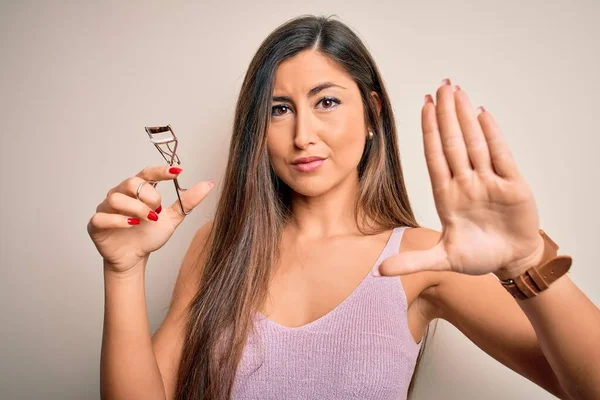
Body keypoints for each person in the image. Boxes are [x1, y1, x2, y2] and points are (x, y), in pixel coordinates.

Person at [87, 14, 600, 400]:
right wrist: (124, 271)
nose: (303, 135)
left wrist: (526, 261)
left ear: (372, 112)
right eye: (279, 110)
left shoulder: (422, 259)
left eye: (326, 101)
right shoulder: (219, 247)